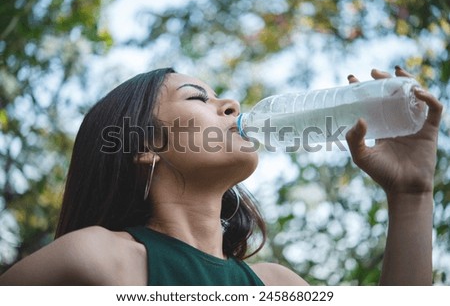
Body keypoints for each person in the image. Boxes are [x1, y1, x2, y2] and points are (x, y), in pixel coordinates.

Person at [0, 66, 442, 285]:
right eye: (198, 98)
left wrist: (413, 195)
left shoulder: (278, 284)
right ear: (144, 146)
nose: (230, 103)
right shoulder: (95, 259)